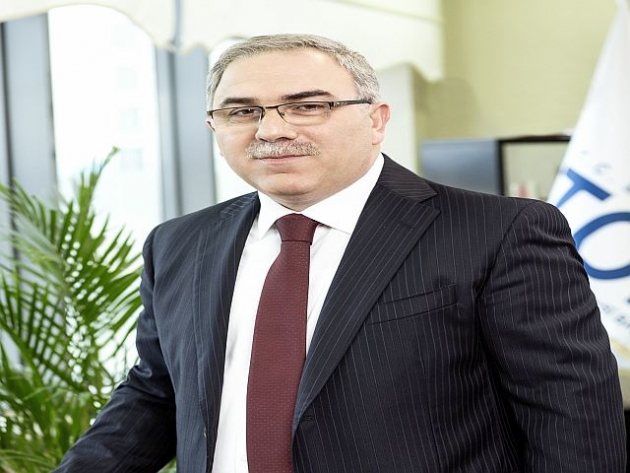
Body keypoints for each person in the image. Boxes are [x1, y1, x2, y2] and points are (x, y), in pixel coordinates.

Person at [55, 34, 626, 472]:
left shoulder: (499, 231)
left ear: (376, 119)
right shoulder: (179, 243)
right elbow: (155, 394)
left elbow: (570, 414)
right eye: (241, 111)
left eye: (307, 106)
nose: (270, 130)